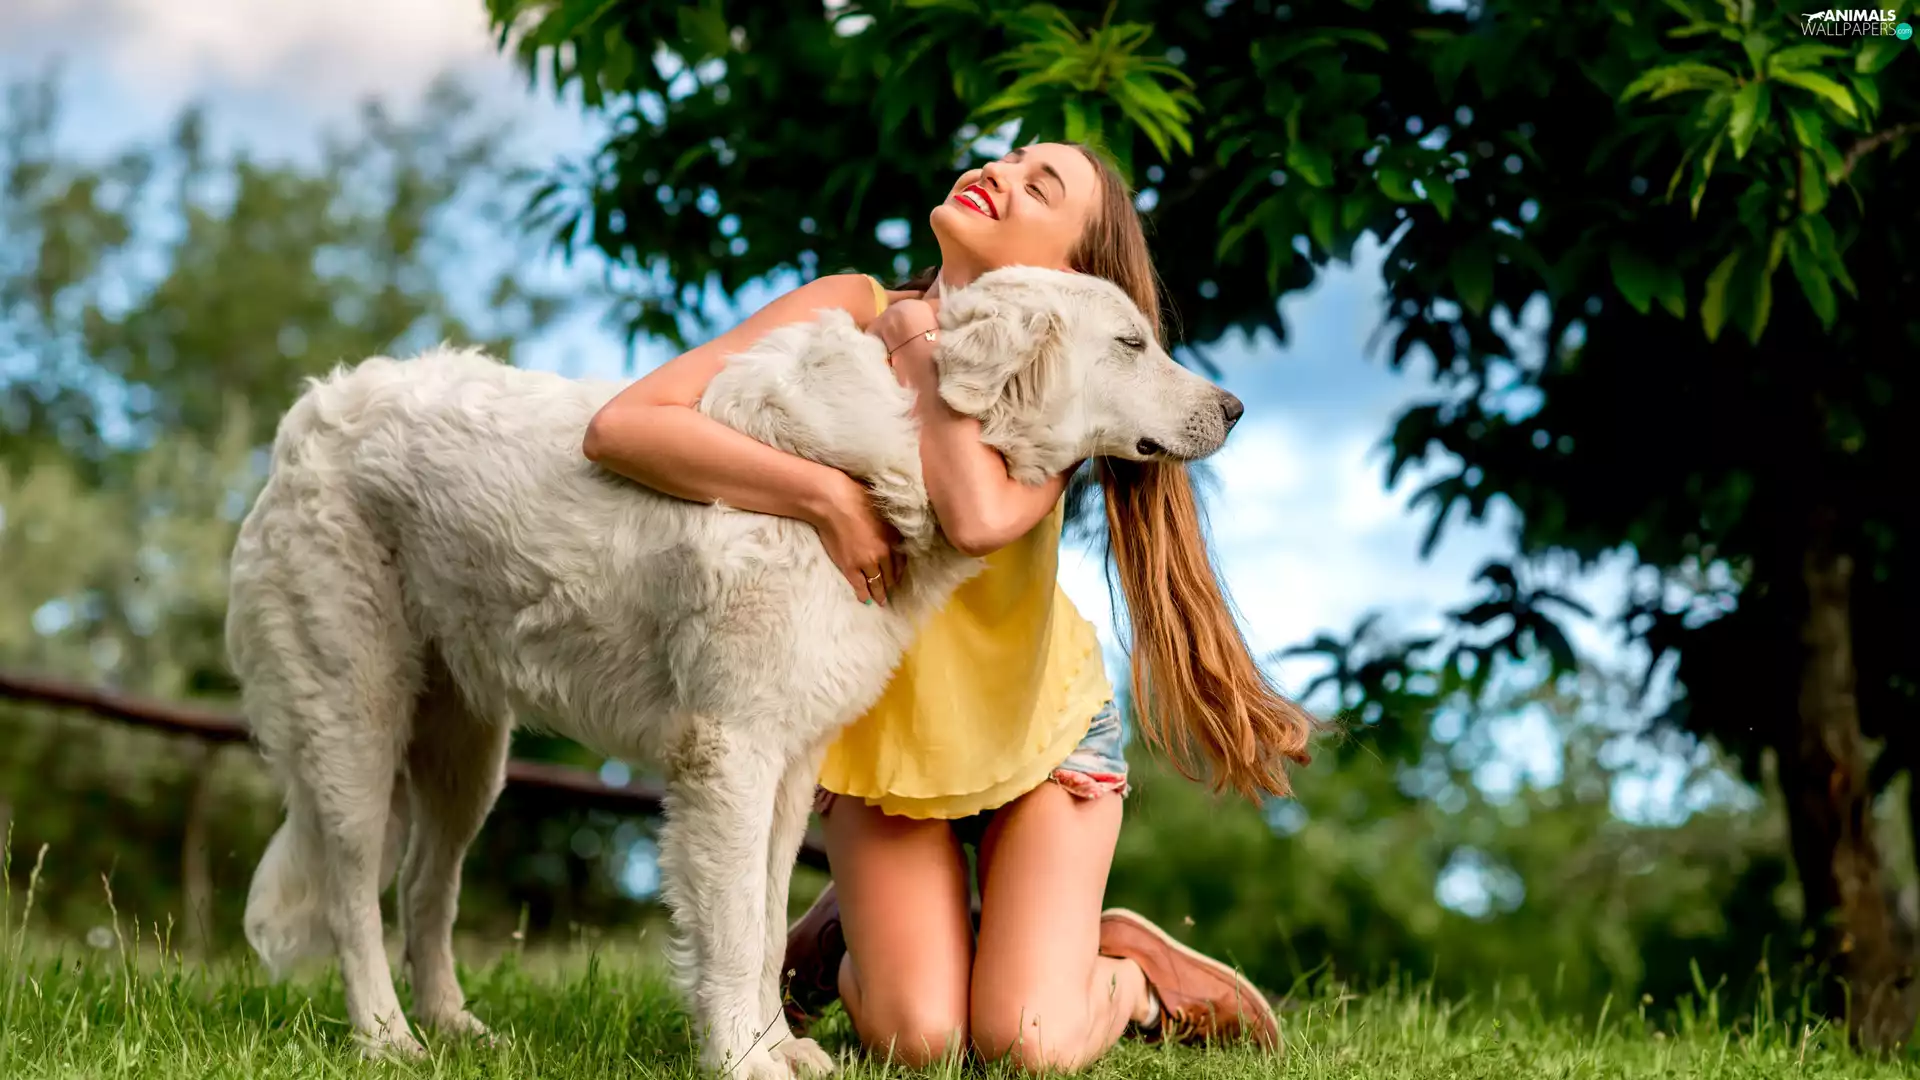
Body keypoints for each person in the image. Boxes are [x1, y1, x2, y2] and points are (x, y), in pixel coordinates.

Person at [582, 141, 1315, 1072]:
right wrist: (823, 497)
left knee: (1027, 1044)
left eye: (1039, 186)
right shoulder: (852, 308)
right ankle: (854, 934)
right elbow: (624, 427)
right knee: (918, 1040)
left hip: (1034, 742)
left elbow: (970, 515)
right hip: (888, 751)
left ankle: (1124, 974)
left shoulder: (1064, 390)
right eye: (1007, 159)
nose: (1001, 174)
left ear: (1073, 278)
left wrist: (925, 340)